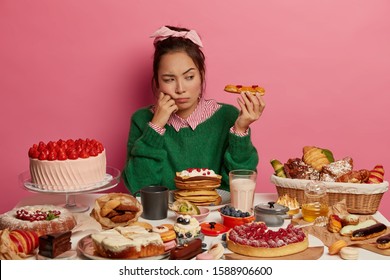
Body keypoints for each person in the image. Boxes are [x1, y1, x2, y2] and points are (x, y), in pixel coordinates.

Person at [122, 25, 266, 194]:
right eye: (169, 79)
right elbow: (140, 189)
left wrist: (240, 130)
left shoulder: (228, 117)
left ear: (201, 76)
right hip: (162, 219)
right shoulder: (142, 119)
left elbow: (240, 188)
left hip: (214, 218)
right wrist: (156, 127)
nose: (180, 88)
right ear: (157, 83)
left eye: (189, 77)